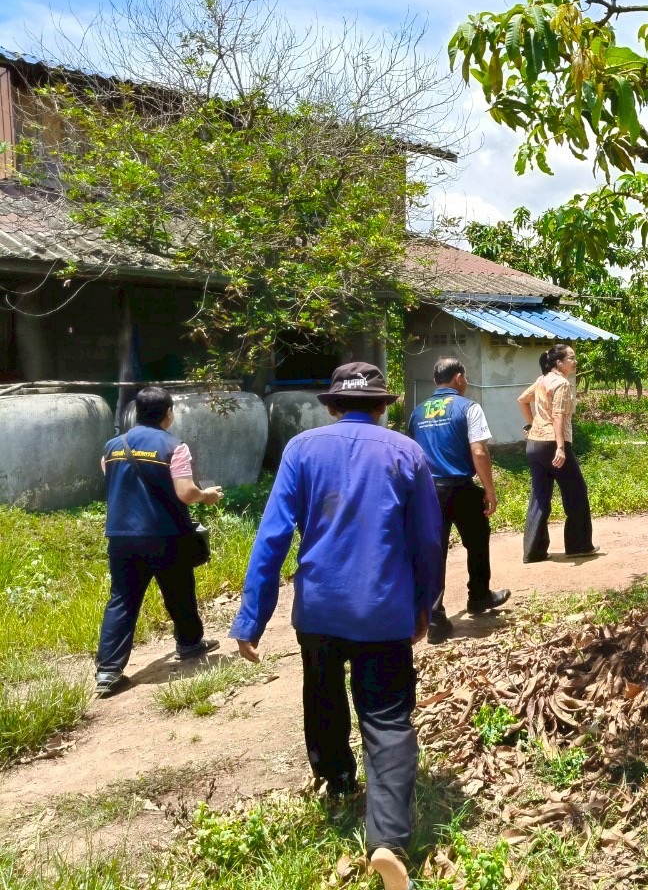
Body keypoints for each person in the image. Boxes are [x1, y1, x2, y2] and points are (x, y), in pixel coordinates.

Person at [229, 362, 443, 890]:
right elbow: (428, 544)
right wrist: (424, 605)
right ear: (383, 404)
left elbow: (273, 535)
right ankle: (388, 840)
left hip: (320, 609)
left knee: (322, 691)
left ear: (330, 406)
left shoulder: (302, 450)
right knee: (388, 717)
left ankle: (336, 777)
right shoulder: (406, 453)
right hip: (383, 610)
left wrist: (251, 617)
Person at [94, 386, 222, 698]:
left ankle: (108, 672)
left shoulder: (112, 447)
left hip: (121, 536)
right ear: (168, 413)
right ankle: (190, 644)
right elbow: (186, 493)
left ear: (136, 412)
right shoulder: (174, 446)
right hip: (164, 535)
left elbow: (110, 478)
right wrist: (209, 496)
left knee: (122, 598)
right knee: (178, 589)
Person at [408, 357, 510, 643]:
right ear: (459, 378)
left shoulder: (417, 413)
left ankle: (436, 619)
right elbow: (478, 452)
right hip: (460, 488)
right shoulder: (469, 407)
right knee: (477, 541)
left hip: (427, 492)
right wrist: (489, 489)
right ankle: (478, 597)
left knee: (433, 552)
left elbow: (411, 453)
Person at [517, 344, 596, 563]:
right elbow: (558, 415)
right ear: (558, 363)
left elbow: (522, 400)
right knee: (576, 492)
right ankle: (579, 546)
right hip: (553, 443)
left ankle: (534, 551)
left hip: (534, 444)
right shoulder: (561, 383)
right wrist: (560, 447)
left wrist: (533, 425)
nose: (575, 361)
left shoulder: (542, 380)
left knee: (539, 497)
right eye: (571, 358)